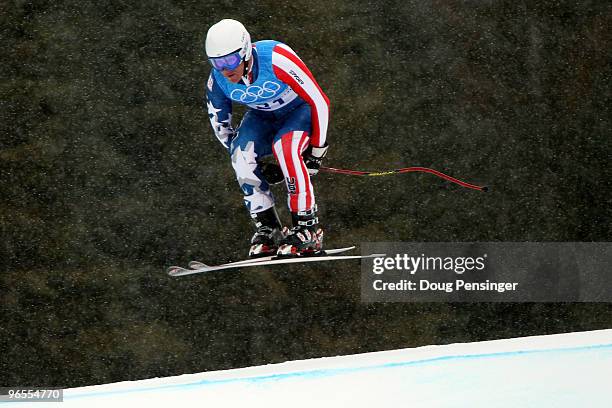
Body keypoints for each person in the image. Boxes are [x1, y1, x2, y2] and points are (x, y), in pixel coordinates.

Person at [204, 19, 330, 258]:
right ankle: (268, 228)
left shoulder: (276, 58)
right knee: (240, 153)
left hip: (299, 111)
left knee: (286, 148)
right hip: (263, 117)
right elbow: (220, 124)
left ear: (244, 52)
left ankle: (306, 228)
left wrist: (317, 151)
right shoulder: (218, 80)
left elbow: (320, 101)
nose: (225, 69)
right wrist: (254, 165)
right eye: (216, 63)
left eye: (229, 60)